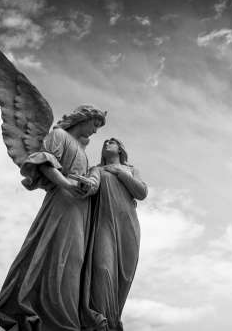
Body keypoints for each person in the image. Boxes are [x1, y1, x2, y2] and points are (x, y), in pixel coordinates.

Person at [0, 105, 107, 331]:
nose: (96, 131)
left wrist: (86, 187)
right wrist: (67, 184)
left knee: (74, 260)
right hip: (62, 202)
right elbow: (45, 162)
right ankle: (52, 319)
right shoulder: (59, 136)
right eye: (95, 124)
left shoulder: (83, 151)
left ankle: (67, 317)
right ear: (83, 118)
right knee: (57, 254)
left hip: (79, 208)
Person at [80, 138, 147, 331]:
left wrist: (119, 173)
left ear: (120, 148)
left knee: (123, 277)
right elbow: (92, 184)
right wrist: (86, 185)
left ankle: (113, 320)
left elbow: (141, 192)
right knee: (102, 270)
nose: (106, 143)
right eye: (105, 142)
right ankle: (100, 322)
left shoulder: (131, 169)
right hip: (104, 225)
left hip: (128, 226)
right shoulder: (97, 169)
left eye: (111, 142)